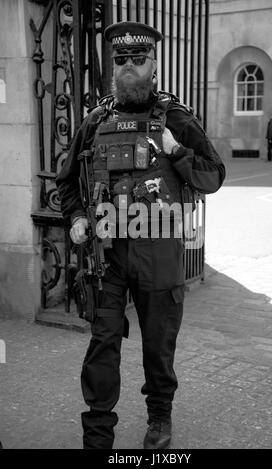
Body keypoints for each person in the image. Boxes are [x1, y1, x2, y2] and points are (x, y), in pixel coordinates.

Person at [56, 21, 225, 449]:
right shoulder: (97, 120)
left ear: (154, 64)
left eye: (138, 59)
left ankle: (159, 418)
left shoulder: (176, 118)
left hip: (160, 254)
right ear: (114, 67)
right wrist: (76, 218)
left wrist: (174, 151)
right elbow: (65, 182)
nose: (128, 66)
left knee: (158, 346)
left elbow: (213, 176)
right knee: (102, 343)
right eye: (121, 60)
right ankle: (97, 435)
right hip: (107, 255)